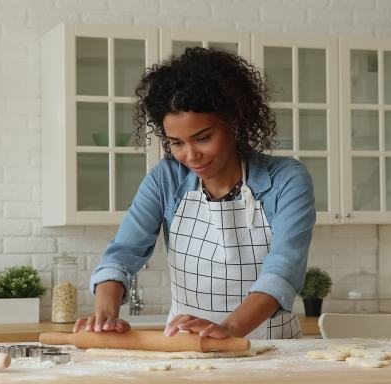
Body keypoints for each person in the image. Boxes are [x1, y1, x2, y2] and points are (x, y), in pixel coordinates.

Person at [73, 47, 316, 339]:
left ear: (234, 121)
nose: (191, 156)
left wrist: (227, 330)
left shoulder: (286, 179)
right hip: (187, 350)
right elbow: (123, 254)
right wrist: (105, 316)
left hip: (274, 351)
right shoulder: (166, 180)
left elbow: (283, 269)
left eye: (203, 138)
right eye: (176, 143)